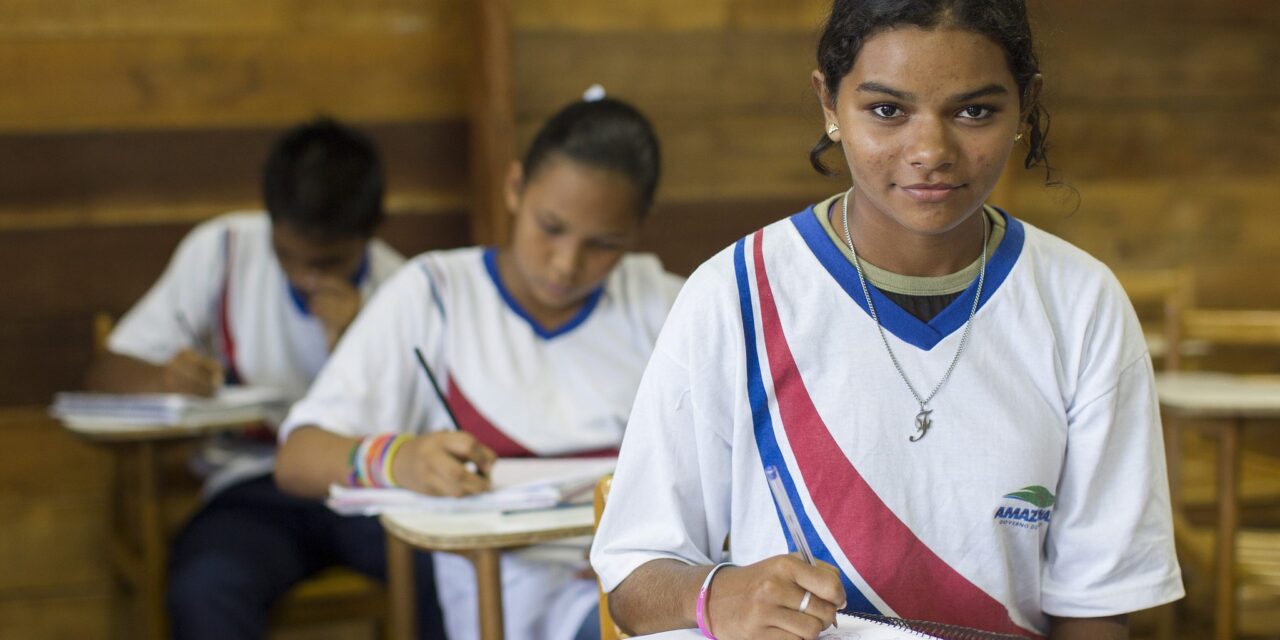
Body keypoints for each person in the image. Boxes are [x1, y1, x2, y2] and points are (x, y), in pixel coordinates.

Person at [590, 1, 1185, 639]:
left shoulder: (1081, 304)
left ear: (1026, 105)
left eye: (974, 111)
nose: (930, 150)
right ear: (829, 103)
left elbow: (1096, 611)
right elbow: (633, 584)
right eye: (886, 111)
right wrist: (717, 593)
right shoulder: (734, 295)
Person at [275, 94, 684, 640]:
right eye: (551, 227)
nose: (566, 263)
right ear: (515, 188)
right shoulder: (436, 295)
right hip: (522, 603)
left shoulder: (662, 302)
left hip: (652, 585)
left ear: (637, 230)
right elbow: (298, 456)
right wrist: (399, 459)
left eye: (603, 244)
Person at [86, 118, 446, 639]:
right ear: (270, 219)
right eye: (288, 256)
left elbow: (425, 429)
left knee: (444, 575)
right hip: (249, 491)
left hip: (364, 492)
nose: (304, 277)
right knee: (204, 588)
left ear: (371, 229)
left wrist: (361, 342)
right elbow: (104, 372)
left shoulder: (403, 288)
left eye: (328, 263)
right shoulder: (224, 250)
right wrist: (164, 377)